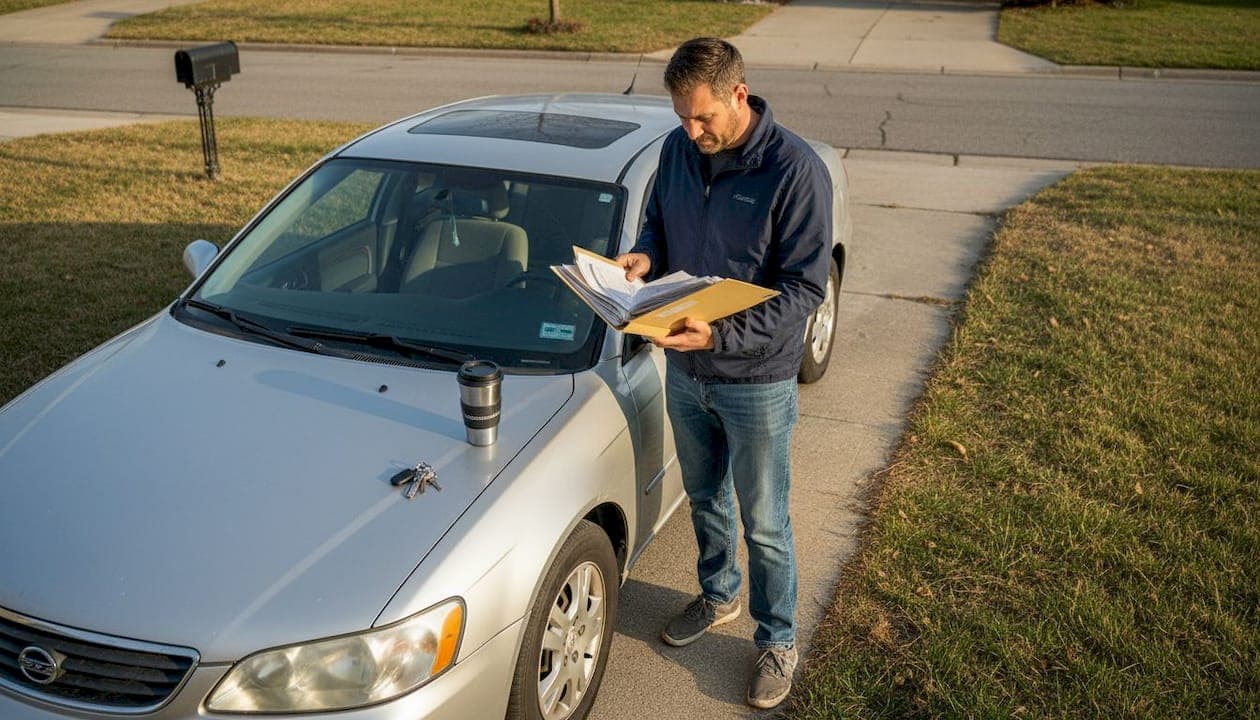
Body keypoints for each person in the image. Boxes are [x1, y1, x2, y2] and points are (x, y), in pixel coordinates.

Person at [615, 37, 833, 710]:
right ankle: (718, 595)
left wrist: (724, 335)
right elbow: (657, 225)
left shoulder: (795, 171)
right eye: (682, 116)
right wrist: (643, 259)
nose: (691, 131)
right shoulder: (677, 151)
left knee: (765, 521)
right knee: (705, 495)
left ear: (739, 95)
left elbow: (804, 290)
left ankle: (778, 640)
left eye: (702, 116)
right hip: (686, 368)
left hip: (757, 380)